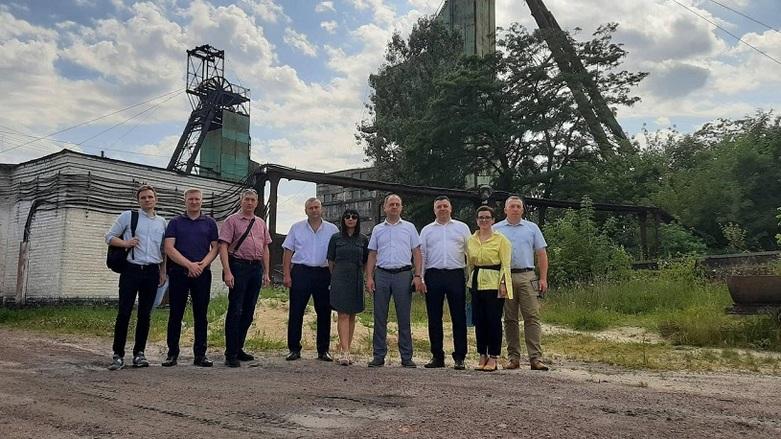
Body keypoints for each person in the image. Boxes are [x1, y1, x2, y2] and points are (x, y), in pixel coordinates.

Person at [104, 184, 167, 370]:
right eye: (143, 197)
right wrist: (125, 243)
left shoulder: (162, 222)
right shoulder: (128, 216)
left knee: (145, 314)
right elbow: (109, 237)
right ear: (138, 201)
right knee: (124, 312)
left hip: (152, 271)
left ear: (156, 199)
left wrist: (163, 272)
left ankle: (139, 354)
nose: (147, 200)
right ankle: (118, 355)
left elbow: (164, 250)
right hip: (131, 270)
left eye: (150, 197)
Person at [162, 188, 220, 367]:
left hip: (202, 274)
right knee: (175, 313)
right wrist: (189, 265)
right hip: (179, 273)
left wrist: (201, 265)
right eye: (191, 199)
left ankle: (200, 355)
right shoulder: (175, 222)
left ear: (202, 201)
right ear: (185, 201)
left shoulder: (210, 223)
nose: (194, 202)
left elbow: (216, 248)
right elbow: (169, 248)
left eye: (197, 199)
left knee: (201, 315)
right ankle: (172, 354)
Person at [365, 194, 424, 368]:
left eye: (397, 204)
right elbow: (372, 254)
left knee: (404, 317)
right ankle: (378, 355)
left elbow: (417, 253)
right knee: (379, 317)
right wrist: (369, 277)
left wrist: (418, 275)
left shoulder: (409, 228)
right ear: (385, 208)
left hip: (403, 275)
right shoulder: (377, 229)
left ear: (401, 207)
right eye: (391, 204)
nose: (394, 207)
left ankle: (406, 356)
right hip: (382, 274)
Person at [494, 195, 550, 371]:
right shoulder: (496, 229)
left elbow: (541, 254)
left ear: (523, 209)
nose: (515, 209)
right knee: (509, 318)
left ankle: (536, 358)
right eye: (512, 206)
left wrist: (543, 278)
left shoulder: (532, 228)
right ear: (505, 209)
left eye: (518, 206)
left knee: (532, 317)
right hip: (505, 276)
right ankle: (513, 358)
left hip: (528, 275)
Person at [218, 188, 272, 367]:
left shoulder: (260, 223)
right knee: (235, 310)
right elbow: (223, 246)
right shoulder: (231, 221)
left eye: (252, 200)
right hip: (238, 266)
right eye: (246, 199)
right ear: (241, 201)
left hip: (255, 268)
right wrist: (227, 271)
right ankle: (230, 353)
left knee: (248, 311)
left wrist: (266, 272)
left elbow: (265, 247)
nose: (249, 203)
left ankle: (239, 347)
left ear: (257, 203)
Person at [282, 197, 339, 361]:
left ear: (322, 209)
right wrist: (286, 274)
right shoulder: (296, 228)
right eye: (311, 208)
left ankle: (323, 350)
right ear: (305, 211)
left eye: (316, 207)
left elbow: (336, 255)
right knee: (296, 311)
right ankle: (294, 349)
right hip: (301, 272)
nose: (314, 210)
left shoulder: (332, 229)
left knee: (324, 312)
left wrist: (335, 277)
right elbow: (287, 252)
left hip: (323, 273)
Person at [419, 196, 471, 370]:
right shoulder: (427, 230)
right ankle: (437, 356)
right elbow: (422, 255)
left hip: (456, 274)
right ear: (434, 210)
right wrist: (421, 277)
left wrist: (470, 276)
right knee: (434, 317)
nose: (442, 209)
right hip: (433, 275)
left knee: (459, 317)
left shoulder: (462, 228)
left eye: (445, 206)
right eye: (439, 206)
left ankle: (460, 356)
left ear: (451, 208)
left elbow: (470, 253)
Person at [467, 206, 513, 372]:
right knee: (479, 321)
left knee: (493, 321)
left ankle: (493, 356)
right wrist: (469, 282)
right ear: (477, 220)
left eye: (487, 217)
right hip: (476, 282)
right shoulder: (471, 240)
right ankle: (482, 354)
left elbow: (506, 265)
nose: (484, 220)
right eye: (481, 217)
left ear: (493, 220)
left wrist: (503, 285)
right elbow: (469, 264)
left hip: (494, 283)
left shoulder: (501, 240)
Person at [327, 209, 369, 366]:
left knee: (352, 314)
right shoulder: (335, 238)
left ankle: (347, 349)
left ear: (358, 220)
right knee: (343, 314)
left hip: (356, 278)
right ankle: (344, 352)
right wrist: (336, 275)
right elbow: (330, 260)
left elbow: (366, 261)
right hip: (340, 278)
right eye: (347, 217)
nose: (350, 219)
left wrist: (363, 275)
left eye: (354, 217)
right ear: (343, 220)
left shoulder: (363, 239)